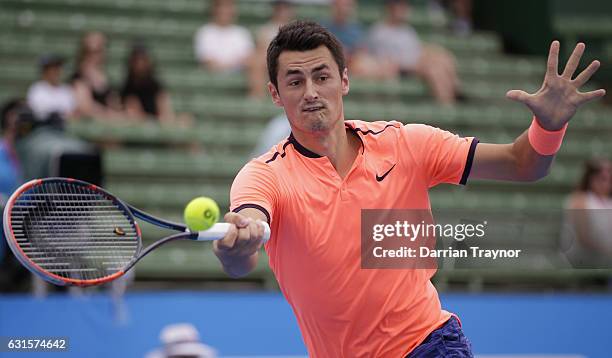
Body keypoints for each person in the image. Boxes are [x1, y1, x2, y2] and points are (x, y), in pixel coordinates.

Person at [212, 20, 605, 357]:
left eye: (322, 76)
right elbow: (245, 237)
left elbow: (523, 165)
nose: (311, 91)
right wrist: (238, 245)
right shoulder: (264, 174)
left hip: (428, 343)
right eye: (294, 81)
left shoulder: (405, 143)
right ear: (275, 94)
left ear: (344, 80)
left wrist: (549, 126)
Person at [368, 0, 462, 105]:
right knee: (435, 71)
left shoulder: (407, 30)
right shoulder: (380, 31)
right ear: (391, 9)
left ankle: (456, 91)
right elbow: (383, 59)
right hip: (401, 69)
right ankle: (447, 105)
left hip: (415, 64)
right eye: (400, 7)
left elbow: (417, 50)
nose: (404, 10)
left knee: (443, 57)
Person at [322, 0, 397, 79]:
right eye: (341, 5)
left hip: (354, 65)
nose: (344, 9)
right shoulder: (324, 27)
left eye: (348, 6)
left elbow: (362, 51)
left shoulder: (356, 29)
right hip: (333, 64)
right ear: (333, 7)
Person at [121, 43, 191, 125]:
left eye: (143, 60)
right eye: (137, 60)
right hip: (141, 128)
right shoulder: (128, 89)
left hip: (158, 124)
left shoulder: (155, 86)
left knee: (186, 120)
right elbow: (135, 116)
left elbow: (165, 113)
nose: (140, 65)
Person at [562, 159, 612, 267]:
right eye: (602, 178)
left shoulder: (608, 201)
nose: (607, 183)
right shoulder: (579, 200)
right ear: (591, 178)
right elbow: (584, 238)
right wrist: (607, 250)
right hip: (585, 256)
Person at [248, 0, 296, 98]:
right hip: (270, 61)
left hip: (292, 60)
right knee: (256, 61)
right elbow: (261, 50)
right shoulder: (265, 30)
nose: (282, 12)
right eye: (280, 9)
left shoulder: (297, 29)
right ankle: (257, 96)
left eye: (285, 9)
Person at [71, 31, 124, 120]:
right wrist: (112, 115)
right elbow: (85, 108)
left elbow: (114, 104)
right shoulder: (79, 77)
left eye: (100, 50)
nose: (96, 55)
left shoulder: (103, 77)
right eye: (91, 51)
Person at [194, 0, 254, 73]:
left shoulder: (242, 33)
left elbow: (249, 59)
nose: (224, 11)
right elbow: (206, 60)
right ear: (214, 10)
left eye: (228, 7)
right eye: (221, 7)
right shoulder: (204, 32)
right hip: (212, 75)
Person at [27, 55, 78, 123]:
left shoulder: (66, 90)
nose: (56, 71)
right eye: (53, 68)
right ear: (45, 70)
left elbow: (73, 112)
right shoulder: (37, 89)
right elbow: (38, 113)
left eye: (58, 68)